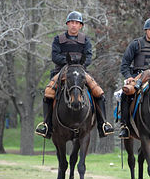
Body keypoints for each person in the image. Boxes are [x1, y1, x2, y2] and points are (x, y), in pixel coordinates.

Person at [35, 11, 114, 139]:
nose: (74, 25)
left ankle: (103, 124)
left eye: (77, 23)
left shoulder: (85, 40)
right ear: (67, 24)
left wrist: (79, 64)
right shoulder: (58, 39)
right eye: (71, 22)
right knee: (48, 92)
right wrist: (69, 62)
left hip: (80, 70)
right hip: (62, 70)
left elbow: (88, 56)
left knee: (99, 92)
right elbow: (55, 56)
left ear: (80, 26)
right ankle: (47, 125)